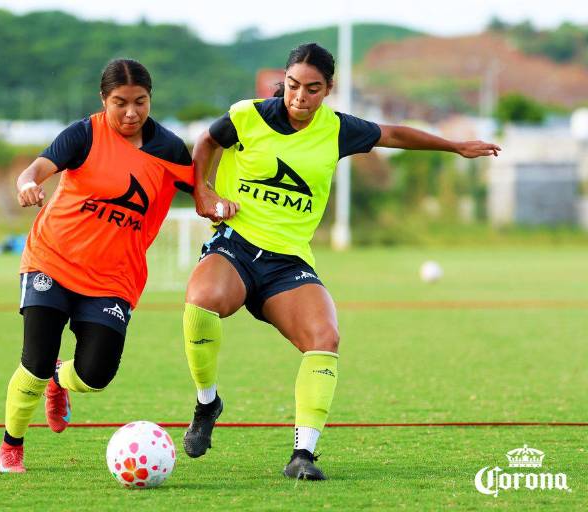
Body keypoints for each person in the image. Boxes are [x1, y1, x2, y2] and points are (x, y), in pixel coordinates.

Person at [181, 43, 501, 480]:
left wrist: (454, 146)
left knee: (324, 337)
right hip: (235, 246)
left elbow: (394, 134)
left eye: (313, 89)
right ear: (285, 81)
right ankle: (207, 403)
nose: (300, 97)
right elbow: (206, 142)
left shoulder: (336, 129)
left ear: (328, 89)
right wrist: (205, 192)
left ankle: (303, 455)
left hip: (287, 262)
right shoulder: (247, 115)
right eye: (294, 86)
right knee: (201, 303)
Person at [0, 59, 194, 473]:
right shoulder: (84, 134)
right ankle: (12, 443)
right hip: (53, 259)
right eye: (119, 102)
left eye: (140, 102)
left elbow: (202, 185)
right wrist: (27, 183)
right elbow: (38, 168)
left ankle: (59, 381)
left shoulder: (170, 150)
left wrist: (216, 202)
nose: (131, 113)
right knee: (35, 359)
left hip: (113, 278)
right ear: (103, 99)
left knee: (95, 375)